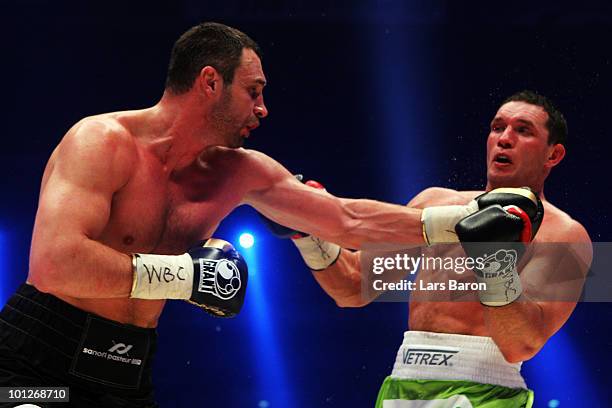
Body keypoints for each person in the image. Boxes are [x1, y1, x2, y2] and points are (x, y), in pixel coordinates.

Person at [0, 22, 534, 408]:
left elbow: (345, 219)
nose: (263, 108)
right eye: (253, 92)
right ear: (210, 82)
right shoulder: (102, 141)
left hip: (129, 369)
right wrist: (186, 277)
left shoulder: (239, 170)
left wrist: (460, 217)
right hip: (38, 363)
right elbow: (55, 264)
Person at [275, 91, 592, 407]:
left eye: (523, 130)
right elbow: (354, 287)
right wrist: (309, 236)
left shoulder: (565, 235)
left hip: (484, 393)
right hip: (403, 384)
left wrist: (494, 265)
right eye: (497, 127)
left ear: (554, 154)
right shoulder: (434, 204)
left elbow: (520, 345)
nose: (505, 138)